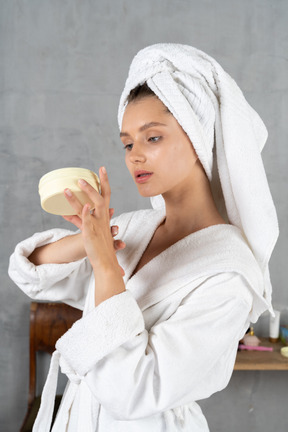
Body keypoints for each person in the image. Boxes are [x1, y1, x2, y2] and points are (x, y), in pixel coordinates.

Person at [8, 43, 278, 431]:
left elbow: (134, 390)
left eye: (153, 138)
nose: (134, 156)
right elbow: (30, 275)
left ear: (199, 137)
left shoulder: (230, 273)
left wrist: (104, 263)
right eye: (128, 143)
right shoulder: (137, 228)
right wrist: (88, 237)